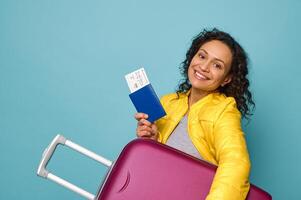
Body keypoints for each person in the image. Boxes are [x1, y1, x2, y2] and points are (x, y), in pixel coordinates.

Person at [134, 28, 255, 200]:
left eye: (217, 65)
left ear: (227, 78)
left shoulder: (225, 111)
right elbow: (161, 166)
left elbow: (236, 163)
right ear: (193, 56)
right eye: (202, 56)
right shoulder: (168, 102)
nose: (204, 67)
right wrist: (153, 141)